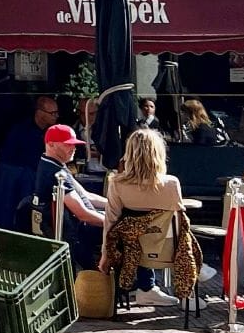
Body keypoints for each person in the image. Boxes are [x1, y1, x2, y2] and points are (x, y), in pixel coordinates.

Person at [96, 129, 181, 305]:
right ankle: (188, 286)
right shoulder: (171, 183)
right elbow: (179, 222)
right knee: (166, 227)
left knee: (133, 231)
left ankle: (147, 287)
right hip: (167, 249)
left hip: (130, 251)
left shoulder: (117, 184)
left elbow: (110, 221)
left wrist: (106, 254)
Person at [32, 123, 106, 272]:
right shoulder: (54, 172)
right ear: (51, 144)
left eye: (74, 144)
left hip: (81, 229)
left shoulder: (56, 165)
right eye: (68, 144)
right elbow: (83, 214)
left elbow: (85, 195)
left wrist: (115, 205)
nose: (73, 148)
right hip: (77, 234)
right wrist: (114, 222)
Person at [0, 96, 60, 228]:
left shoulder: (52, 132)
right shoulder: (20, 132)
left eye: (56, 112)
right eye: (52, 113)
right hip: (18, 182)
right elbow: (13, 160)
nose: (56, 116)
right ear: (39, 112)